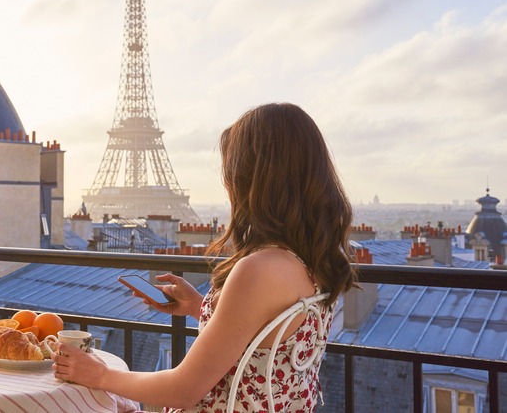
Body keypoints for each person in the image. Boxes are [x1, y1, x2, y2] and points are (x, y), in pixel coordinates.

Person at [51, 103, 356, 411]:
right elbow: (264, 339)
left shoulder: (258, 269)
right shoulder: (313, 260)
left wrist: (99, 374)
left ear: (251, 181)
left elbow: (182, 390)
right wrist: (200, 307)